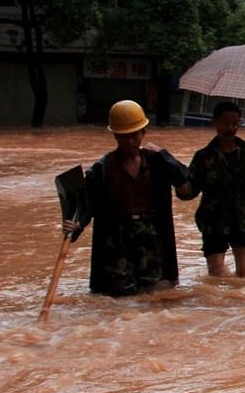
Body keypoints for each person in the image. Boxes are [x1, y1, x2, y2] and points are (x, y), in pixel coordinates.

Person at [62, 100, 191, 297]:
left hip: (152, 237)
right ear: (115, 135)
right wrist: (75, 224)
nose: (130, 142)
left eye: (134, 136)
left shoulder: (158, 162)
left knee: (155, 294)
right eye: (123, 137)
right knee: (118, 297)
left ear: (143, 133)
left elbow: (187, 190)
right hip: (116, 239)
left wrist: (167, 157)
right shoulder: (102, 170)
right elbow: (86, 207)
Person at [178, 102, 245, 279]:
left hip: (242, 219)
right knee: (215, 277)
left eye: (235, 123)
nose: (231, 128)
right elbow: (190, 190)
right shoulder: (203, 156)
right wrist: (178, 181)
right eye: (226, 123)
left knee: (244, 277)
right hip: (213, 221)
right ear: (215, 123)